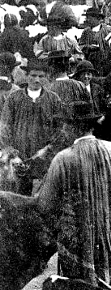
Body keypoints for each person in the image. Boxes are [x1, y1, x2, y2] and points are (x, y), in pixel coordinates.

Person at [37, 101, 111, 290]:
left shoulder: (63, 158)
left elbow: (45, 205)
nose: (63, 130)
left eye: (65, 125)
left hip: (80, 251)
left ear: (72, 127)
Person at [0, 58, 61, 195]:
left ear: (45, 77)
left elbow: (60, 129)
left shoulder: (53, 99)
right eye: (33, 75)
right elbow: (4, 128)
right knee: (19, 198)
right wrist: (12, 154)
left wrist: (48, 150)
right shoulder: (14, 98)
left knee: (43, 200)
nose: (37, 79)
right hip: (18, 160)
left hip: (44, 159)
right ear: (27, 76)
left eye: (41, 76)